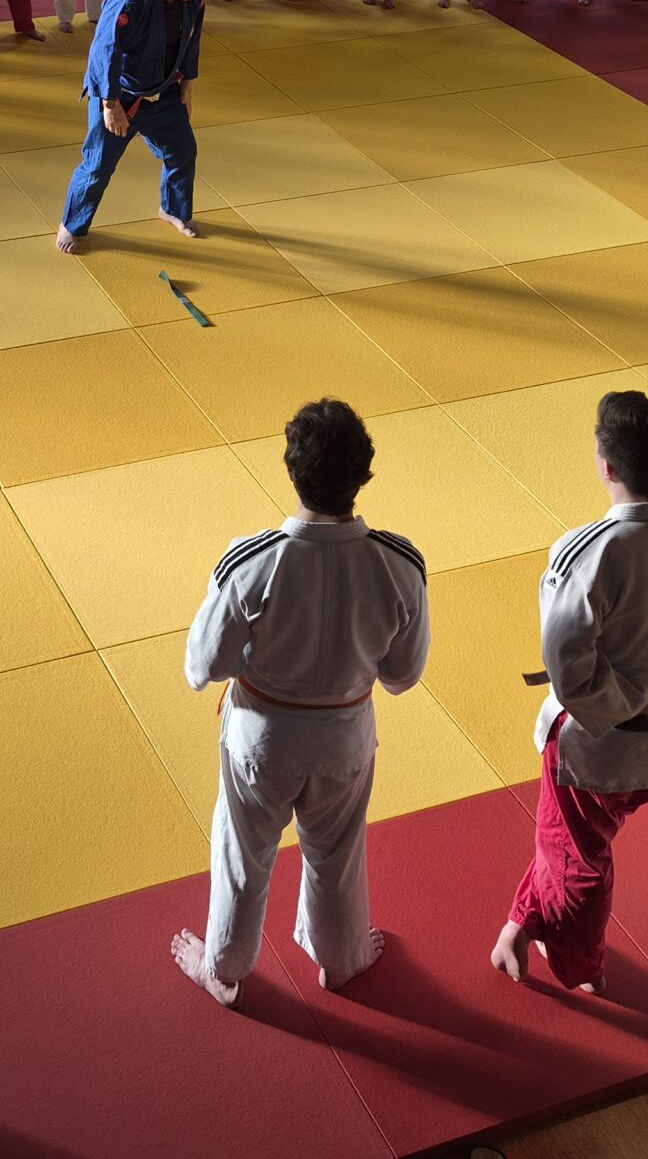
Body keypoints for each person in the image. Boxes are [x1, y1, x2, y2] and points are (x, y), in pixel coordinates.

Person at [171, 399, 430, 1006]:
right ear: (363, 475)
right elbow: (404, 674)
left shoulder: (253, 563)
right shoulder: (398, 565)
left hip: (260, 740)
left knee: (243, 852)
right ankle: (341, 960)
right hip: (345, 739)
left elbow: (202, 666)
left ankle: (224, 968)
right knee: (337, 853)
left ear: (292, 471)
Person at [492, 391, 648, 996]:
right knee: (571, 839)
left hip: (601, 749)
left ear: (606, 467)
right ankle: (518, 927)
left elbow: (572, 677)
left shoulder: (588, 552)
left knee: (578, 862)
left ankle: (581, 970)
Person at [56, 0, 212, 253]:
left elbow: (192, 38)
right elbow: (105, 51)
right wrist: (110, 105)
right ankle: (72, 225)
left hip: (164, 91)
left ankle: (173, 210)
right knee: (98, 165)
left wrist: (188, 84)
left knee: (183, 151)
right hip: (120, 94)